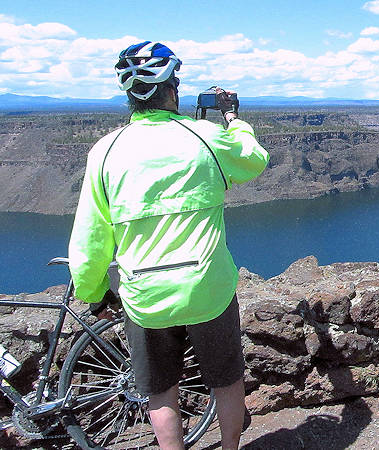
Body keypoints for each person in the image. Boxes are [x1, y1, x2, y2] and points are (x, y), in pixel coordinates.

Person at [68, 41, 269, 450]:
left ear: (128, 95)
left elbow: (90, 237)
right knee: (227, 380)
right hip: (207, 288)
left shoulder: (104, 152)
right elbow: (253, 159)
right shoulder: (207, 137)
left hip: (145, 295)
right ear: (173, 87)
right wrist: (233, 117)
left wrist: (94, 292)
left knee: (161, 390)